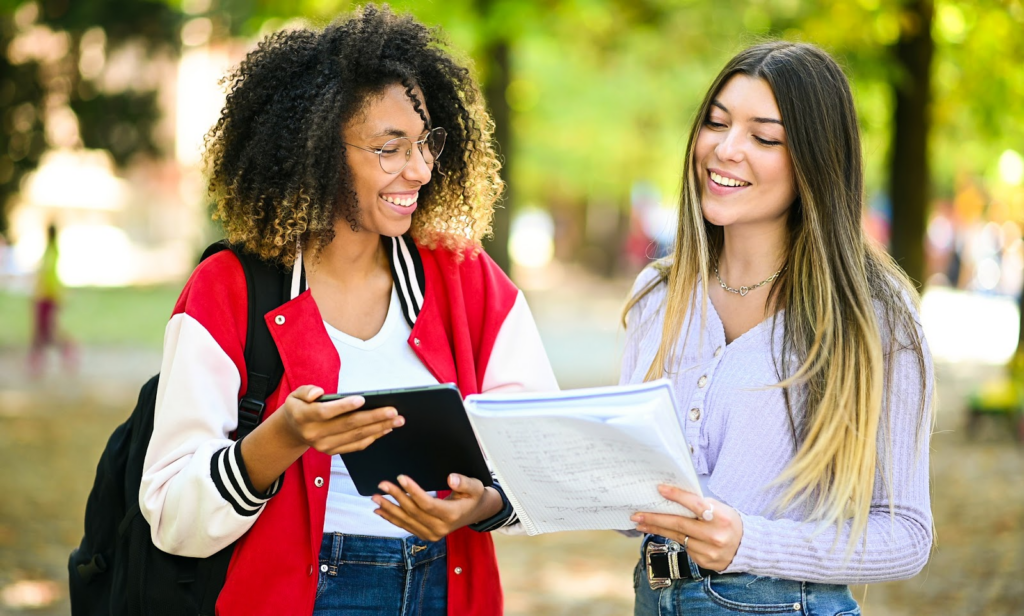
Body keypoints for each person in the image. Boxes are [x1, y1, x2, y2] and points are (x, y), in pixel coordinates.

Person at [139, 6, 557, 615]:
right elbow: (173, 517)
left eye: (424, 144)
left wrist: (483, 504)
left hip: (445, 589)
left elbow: (544, 458)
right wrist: (278, 440)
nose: (418, 170)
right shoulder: (227, 290)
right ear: (314, 153)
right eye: (390, 149)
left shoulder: (469, 282)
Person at [621, 42, 934, 614]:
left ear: (816, 159)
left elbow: (907, 536)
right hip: (655, 598)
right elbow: (633, 506)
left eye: (764, 137)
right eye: (716, 123)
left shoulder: (875, 316)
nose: (726, 148)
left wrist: (750, 542)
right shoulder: (658, 295)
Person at [29, 223, 76, 377]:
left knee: (46, 330)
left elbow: (49, 276)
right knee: (44, 331)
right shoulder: (51, 250)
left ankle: (63, 351)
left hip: (47, 296)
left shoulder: (52, 251)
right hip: (46, 296)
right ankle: (38, 360)